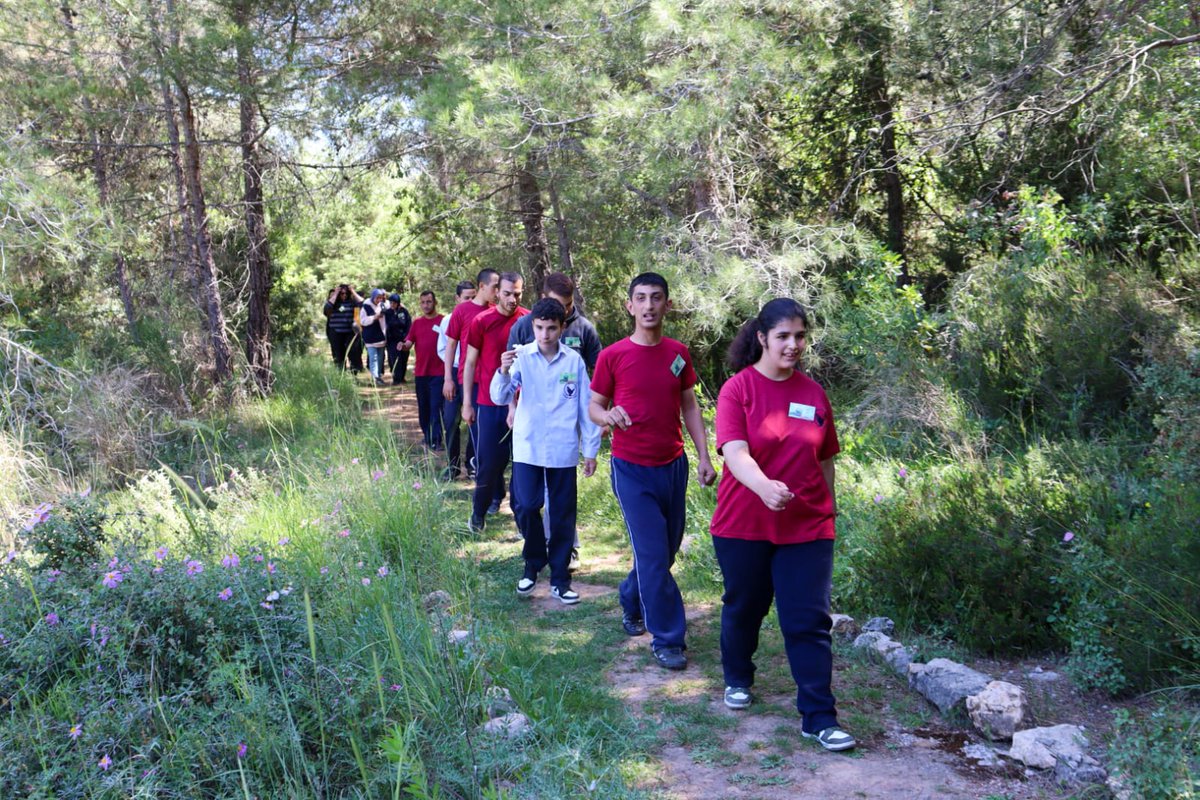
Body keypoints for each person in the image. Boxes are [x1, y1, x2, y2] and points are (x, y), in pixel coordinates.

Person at [710, 298, 855, 752]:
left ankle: (819, 717)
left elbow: (826, 457)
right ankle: (737, 674)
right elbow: (734, 452)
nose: (793, 345)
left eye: (800, 336)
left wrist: (827, 508)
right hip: (743, 522)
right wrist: (763, 486)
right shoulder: (739, 390)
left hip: (807, 527)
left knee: (808, 621)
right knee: (744, 606)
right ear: (762, 339)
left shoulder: (813, 394)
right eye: (783, 337)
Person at [589, 272, 716, 671]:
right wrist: (607, 414)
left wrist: (704, 456)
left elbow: (689, 405)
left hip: (673, 465)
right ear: (629, 306)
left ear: (667, 305)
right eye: (640, 298)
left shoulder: (678, 353)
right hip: (631, 469)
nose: (648, 305)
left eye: (656, 298)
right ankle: (668, 638)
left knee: (665, 552)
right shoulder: (613, 355)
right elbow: (593, 406)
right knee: (652, 554)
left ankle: (631, 595)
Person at [491, 297, 601, 603]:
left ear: (561, 328)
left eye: (551, 328)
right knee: (525, 505)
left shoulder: (573, 362)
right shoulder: (520, 357)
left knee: (563, 514)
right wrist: (502, 371)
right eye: (539, 328)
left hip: (563, 448)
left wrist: (590, 450)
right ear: (533, 327)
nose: (544, 335)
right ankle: (533, 560)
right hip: (527, 445)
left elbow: (585, 407)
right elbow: (500, 397)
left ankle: (560, 577)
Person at [463, 271, 528, 531]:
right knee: (489, 463)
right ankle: (478, 513)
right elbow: (469, 362)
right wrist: (467, 403)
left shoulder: (528, 320)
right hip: (490, 404)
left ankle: (522, 519)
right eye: (508, 293)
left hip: (524, 405)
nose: (513, 298)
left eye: (518, 293)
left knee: (522, 464)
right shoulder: (482, 321)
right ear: (497, 292)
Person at [442, 271, 498, 481]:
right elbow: (451, 345)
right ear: (482, 286)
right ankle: (456, 466)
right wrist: (448, 378)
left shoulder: (496, 310)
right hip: (468, 378)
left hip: (493, 380)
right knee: (462, 423)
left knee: (485, 429)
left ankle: (477, 466)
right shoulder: (462, 310)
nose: (498, 291)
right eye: (495, 286)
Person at [403, 291, 445, 450]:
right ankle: (427, 436)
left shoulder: (443, 321)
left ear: (435, 303)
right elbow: (409, 341)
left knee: (436, 406)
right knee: (424, 407)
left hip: (439, 373)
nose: (426, 305)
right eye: (423, 302)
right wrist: (404, 345)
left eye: (428, 302)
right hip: (421, 373)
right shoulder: (417, 323)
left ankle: (436, 439)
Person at [323, 284, 362, 371]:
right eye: (342, 293)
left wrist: (352, 291)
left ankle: (353, 373)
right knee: (338, 354)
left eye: (346, 293)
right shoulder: (333, 303)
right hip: (336, 332)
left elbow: (362, 304)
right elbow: (326, 310)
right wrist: (336, 293)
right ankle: (341, 374)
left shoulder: (352, 303)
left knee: (353, 353)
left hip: (349, 333)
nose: (344, 295)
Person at [359, 289, 389, 385]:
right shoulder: (366, 306)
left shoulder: (383, 305)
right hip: (370, 336)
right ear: (373, 297)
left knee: (380, 358)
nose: (379, 300)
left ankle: (378, 376)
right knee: (373, 358)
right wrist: (374, 317)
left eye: (381, 298)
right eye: (377, 298)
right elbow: (362, 321)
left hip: (381, 336)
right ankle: (374, 378)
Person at [384, 293, 412, 384]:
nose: (392, 305)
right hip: (392, 340)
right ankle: (396, 378)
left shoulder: (404, 312)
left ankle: (402, 377)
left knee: (404, 359)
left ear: (398, 303)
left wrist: (407, 338)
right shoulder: (387, 312)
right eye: (391, 303)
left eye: (394, 303)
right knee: (394, 359)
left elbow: (408, 324)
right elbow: (388, 324)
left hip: (403, 339)